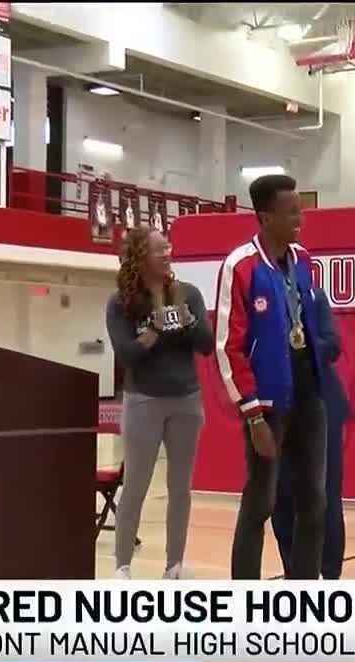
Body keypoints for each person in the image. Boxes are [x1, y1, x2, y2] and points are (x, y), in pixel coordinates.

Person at [215, 173, 330, 581]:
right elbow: (227, 346)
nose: (301, 218)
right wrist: (253, 415)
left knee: (315, 502)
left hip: (308, 393)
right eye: (292, 211)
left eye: (301, 209)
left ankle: (304, 591)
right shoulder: (241, 266)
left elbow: (308, 323)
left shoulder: (303, 260)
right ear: (264, 217)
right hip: (267, 403)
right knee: (260, 503)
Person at [105, 226, 214, 580]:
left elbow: (207, 344)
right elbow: (127, 354)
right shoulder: (121, 303)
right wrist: (153, 331)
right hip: (143, 400)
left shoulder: (189, 294)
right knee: (136, 483)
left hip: (186, 399)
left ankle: (174, 564)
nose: (167, 254)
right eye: (158, 249)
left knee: (180, 487)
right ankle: (122, 565)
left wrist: (189, 320)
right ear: (140, 258)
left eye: (168, 247)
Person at [271, 290, 351, 579]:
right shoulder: (259, 298)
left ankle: (329, 575)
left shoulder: (313, 295)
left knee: (324, 495)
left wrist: (299, 345)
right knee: (280, 495)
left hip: (321, 404)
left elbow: (332, 344)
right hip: (278, 408)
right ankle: (294, 571)